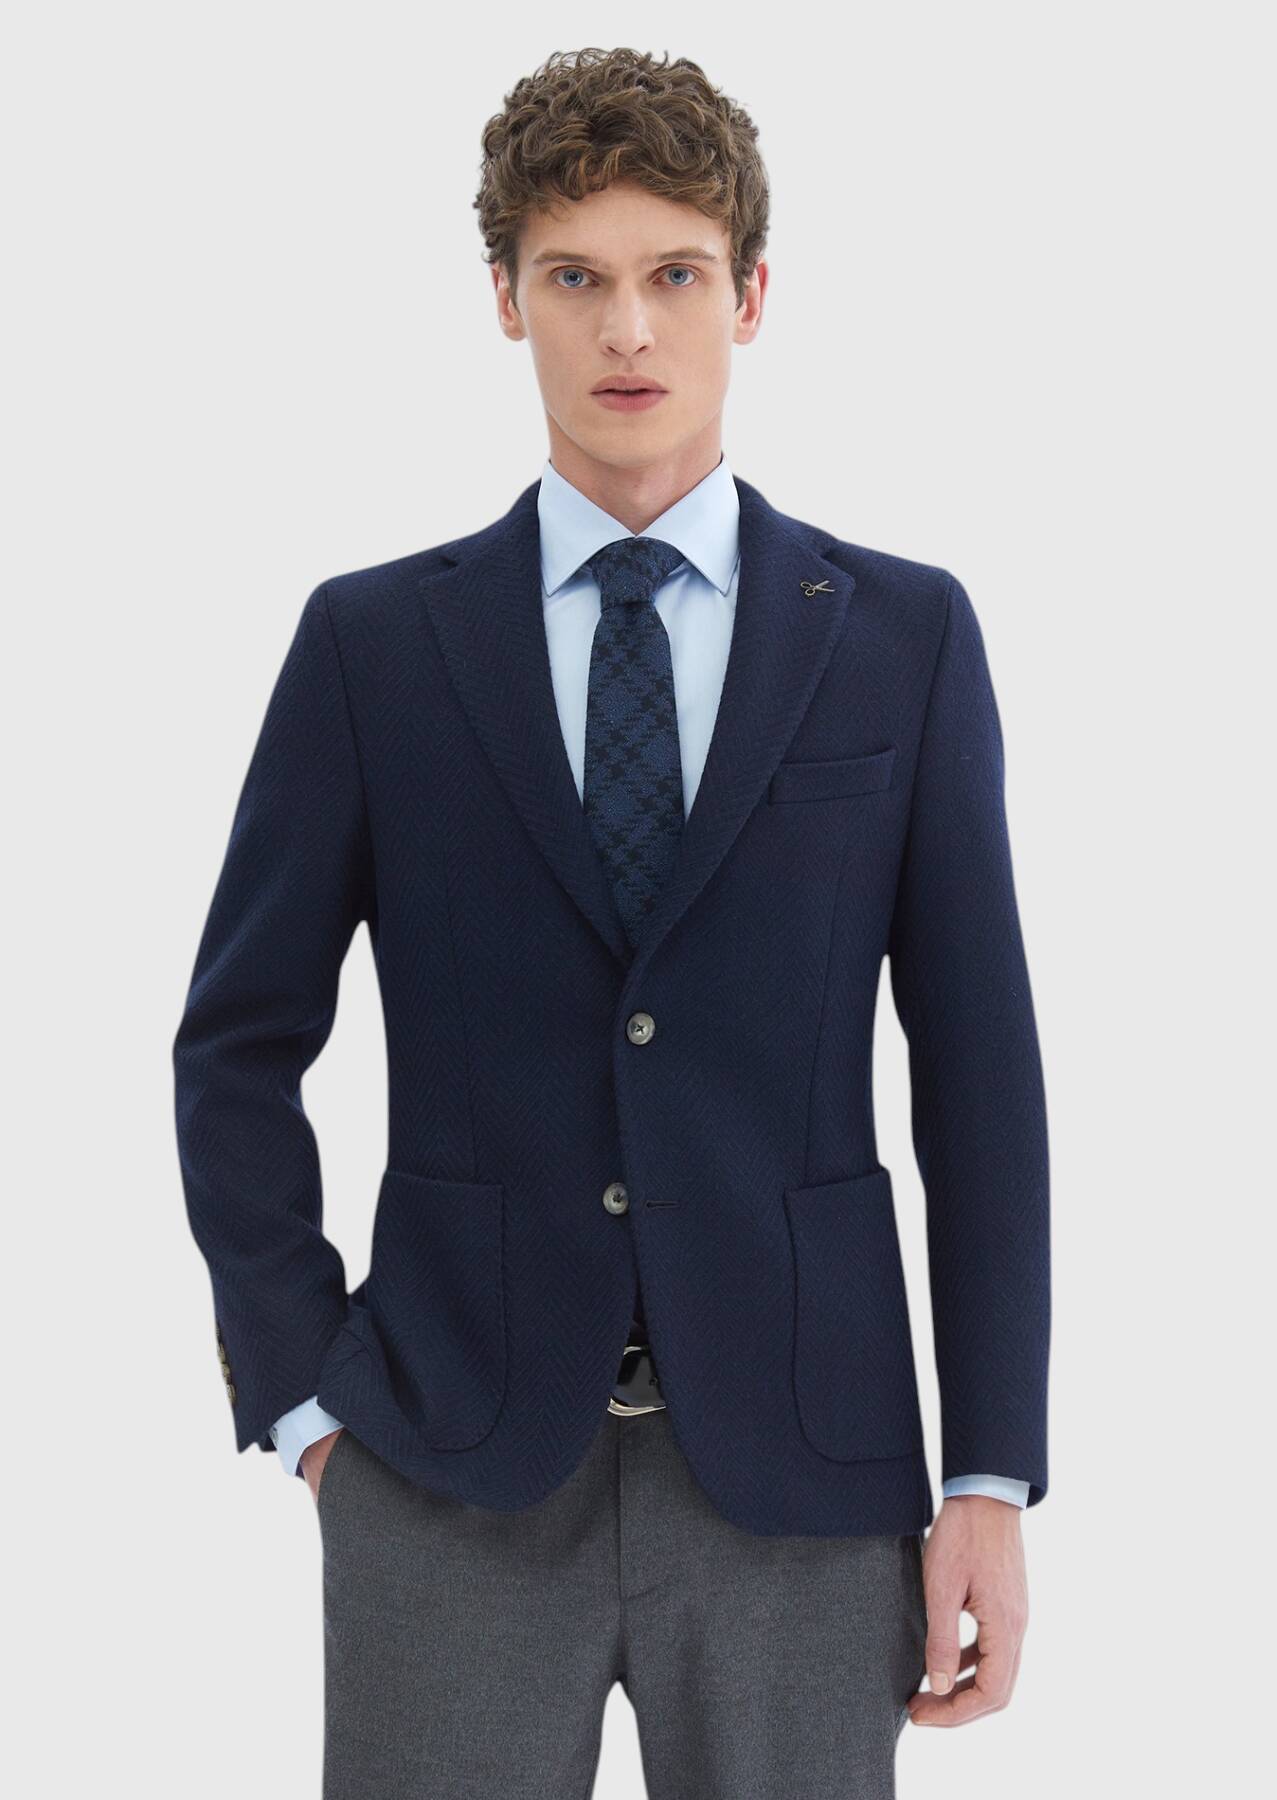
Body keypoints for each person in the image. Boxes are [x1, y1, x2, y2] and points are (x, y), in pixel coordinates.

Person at [173, 45, 1049, 1799]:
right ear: (504, 298)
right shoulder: (374, 648)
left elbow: (978, 1078)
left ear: (751, 295)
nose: (627, 331)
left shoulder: (899, 638)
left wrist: (987, 1475)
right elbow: (237, 1046)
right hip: (446, 1461)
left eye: (675, 276)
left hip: (803, 1473)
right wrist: (305, 1400)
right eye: (574, 277)